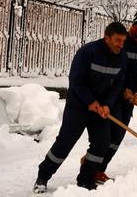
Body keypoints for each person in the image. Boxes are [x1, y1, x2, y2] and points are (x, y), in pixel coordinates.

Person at [33, 22, 128, 194]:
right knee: (65, 143)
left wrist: (107, 104)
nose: (121, 45)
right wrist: (90, 102)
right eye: (117, 40)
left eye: (123, 41)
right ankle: (43, 177)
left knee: (101, 143)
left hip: (100, 109)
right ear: (107, 37)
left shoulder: (122, 57)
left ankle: (86, 180)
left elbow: (118, 84)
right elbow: (76, 80)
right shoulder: (88, 52)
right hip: (79, 106)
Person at [96, 9, 137, 184]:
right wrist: (123, 89)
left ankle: (100, 169)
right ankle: (93, 167)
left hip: (130, 97)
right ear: (136, 24)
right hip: (114, 93)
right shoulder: (124, 41)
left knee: (119, 136)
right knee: (110, 135)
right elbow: (115, 67)